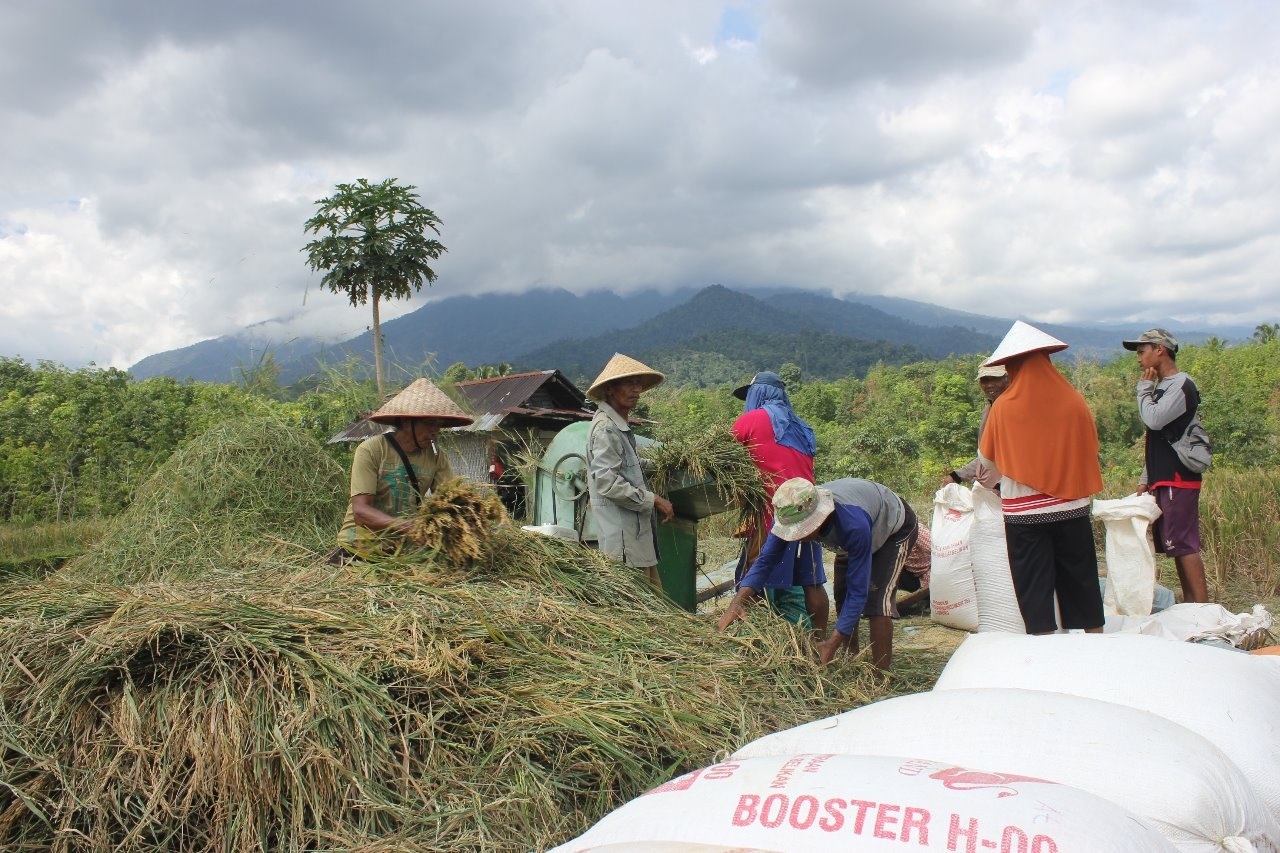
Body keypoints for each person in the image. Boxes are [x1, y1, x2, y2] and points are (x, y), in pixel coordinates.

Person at [977, 321, 1105, 635]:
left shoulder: (1004, 407)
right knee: (1081, 580)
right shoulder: (1074, 400)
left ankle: (1045, 648)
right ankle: (1097, 642)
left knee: (1034, 587)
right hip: (1071, 506)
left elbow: (987, 460)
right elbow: (1090, 445)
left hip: (1024, 513)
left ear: (1014, 366)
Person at [719, 477, 918, 670]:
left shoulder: (852, 525)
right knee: (841, 594)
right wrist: (737, 603)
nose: (797, 536)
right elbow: (765, 562)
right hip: (855, 535)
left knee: (877, 601)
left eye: (801, 530)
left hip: (892, 528)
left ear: (818, 519)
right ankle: (850, 656)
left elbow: (858, 591)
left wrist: (831, 642)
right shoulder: (790, 512)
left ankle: (879, 675)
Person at [335, 378, 474, 559]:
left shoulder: (437, 456)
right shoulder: (372, 450)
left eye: (438, 424)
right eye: (430, 423)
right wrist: (408, 526)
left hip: (403, 551)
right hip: (360, 548)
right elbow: (361, 512)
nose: (435, 431)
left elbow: (449, 501)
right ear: (408, 422)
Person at [730, 371, 825, 633]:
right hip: (812, 511)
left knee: (755, 574)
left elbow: (723, 453)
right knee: (812, 580)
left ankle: (761, 635)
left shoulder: (752, 420)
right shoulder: (802, 426)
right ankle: (818, 638)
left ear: (758, 395)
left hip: (775, 512)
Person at [1122, 328, 1208, 603]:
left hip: (1178, 477)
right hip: (1164, 478)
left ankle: (1201, 607)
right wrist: (1145, 478)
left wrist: (1143, 389)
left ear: (1160, 349)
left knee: (1182, 545)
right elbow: (1157, 440)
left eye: (1142, 351)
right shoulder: (1164, 388)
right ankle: (1192, 605)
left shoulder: (1181, 385)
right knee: (1175, 546)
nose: (1138, 358)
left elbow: (1154, 421)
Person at [585, 353, 675, 588]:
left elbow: (629, 464)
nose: (636, 389)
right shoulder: (606, 429)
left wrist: (667, 463)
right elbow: (607, 481)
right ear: (610, 389)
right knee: (639, 612)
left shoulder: (619, 426)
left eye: (638, 383)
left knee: (653, 606)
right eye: (629, 383)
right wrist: (652, 499)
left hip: (635, 538)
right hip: (623, 542)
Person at [943, 364, 1008, 489]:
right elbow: (986, 455)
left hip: (1008, 490)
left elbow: (1020, 456)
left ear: (1007, 378)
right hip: (987, 488)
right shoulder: (988, 410)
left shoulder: (1013, 410)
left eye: (995, 378)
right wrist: (956, 476)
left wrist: (1002, 486)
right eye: (985, 380)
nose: (989, 385)